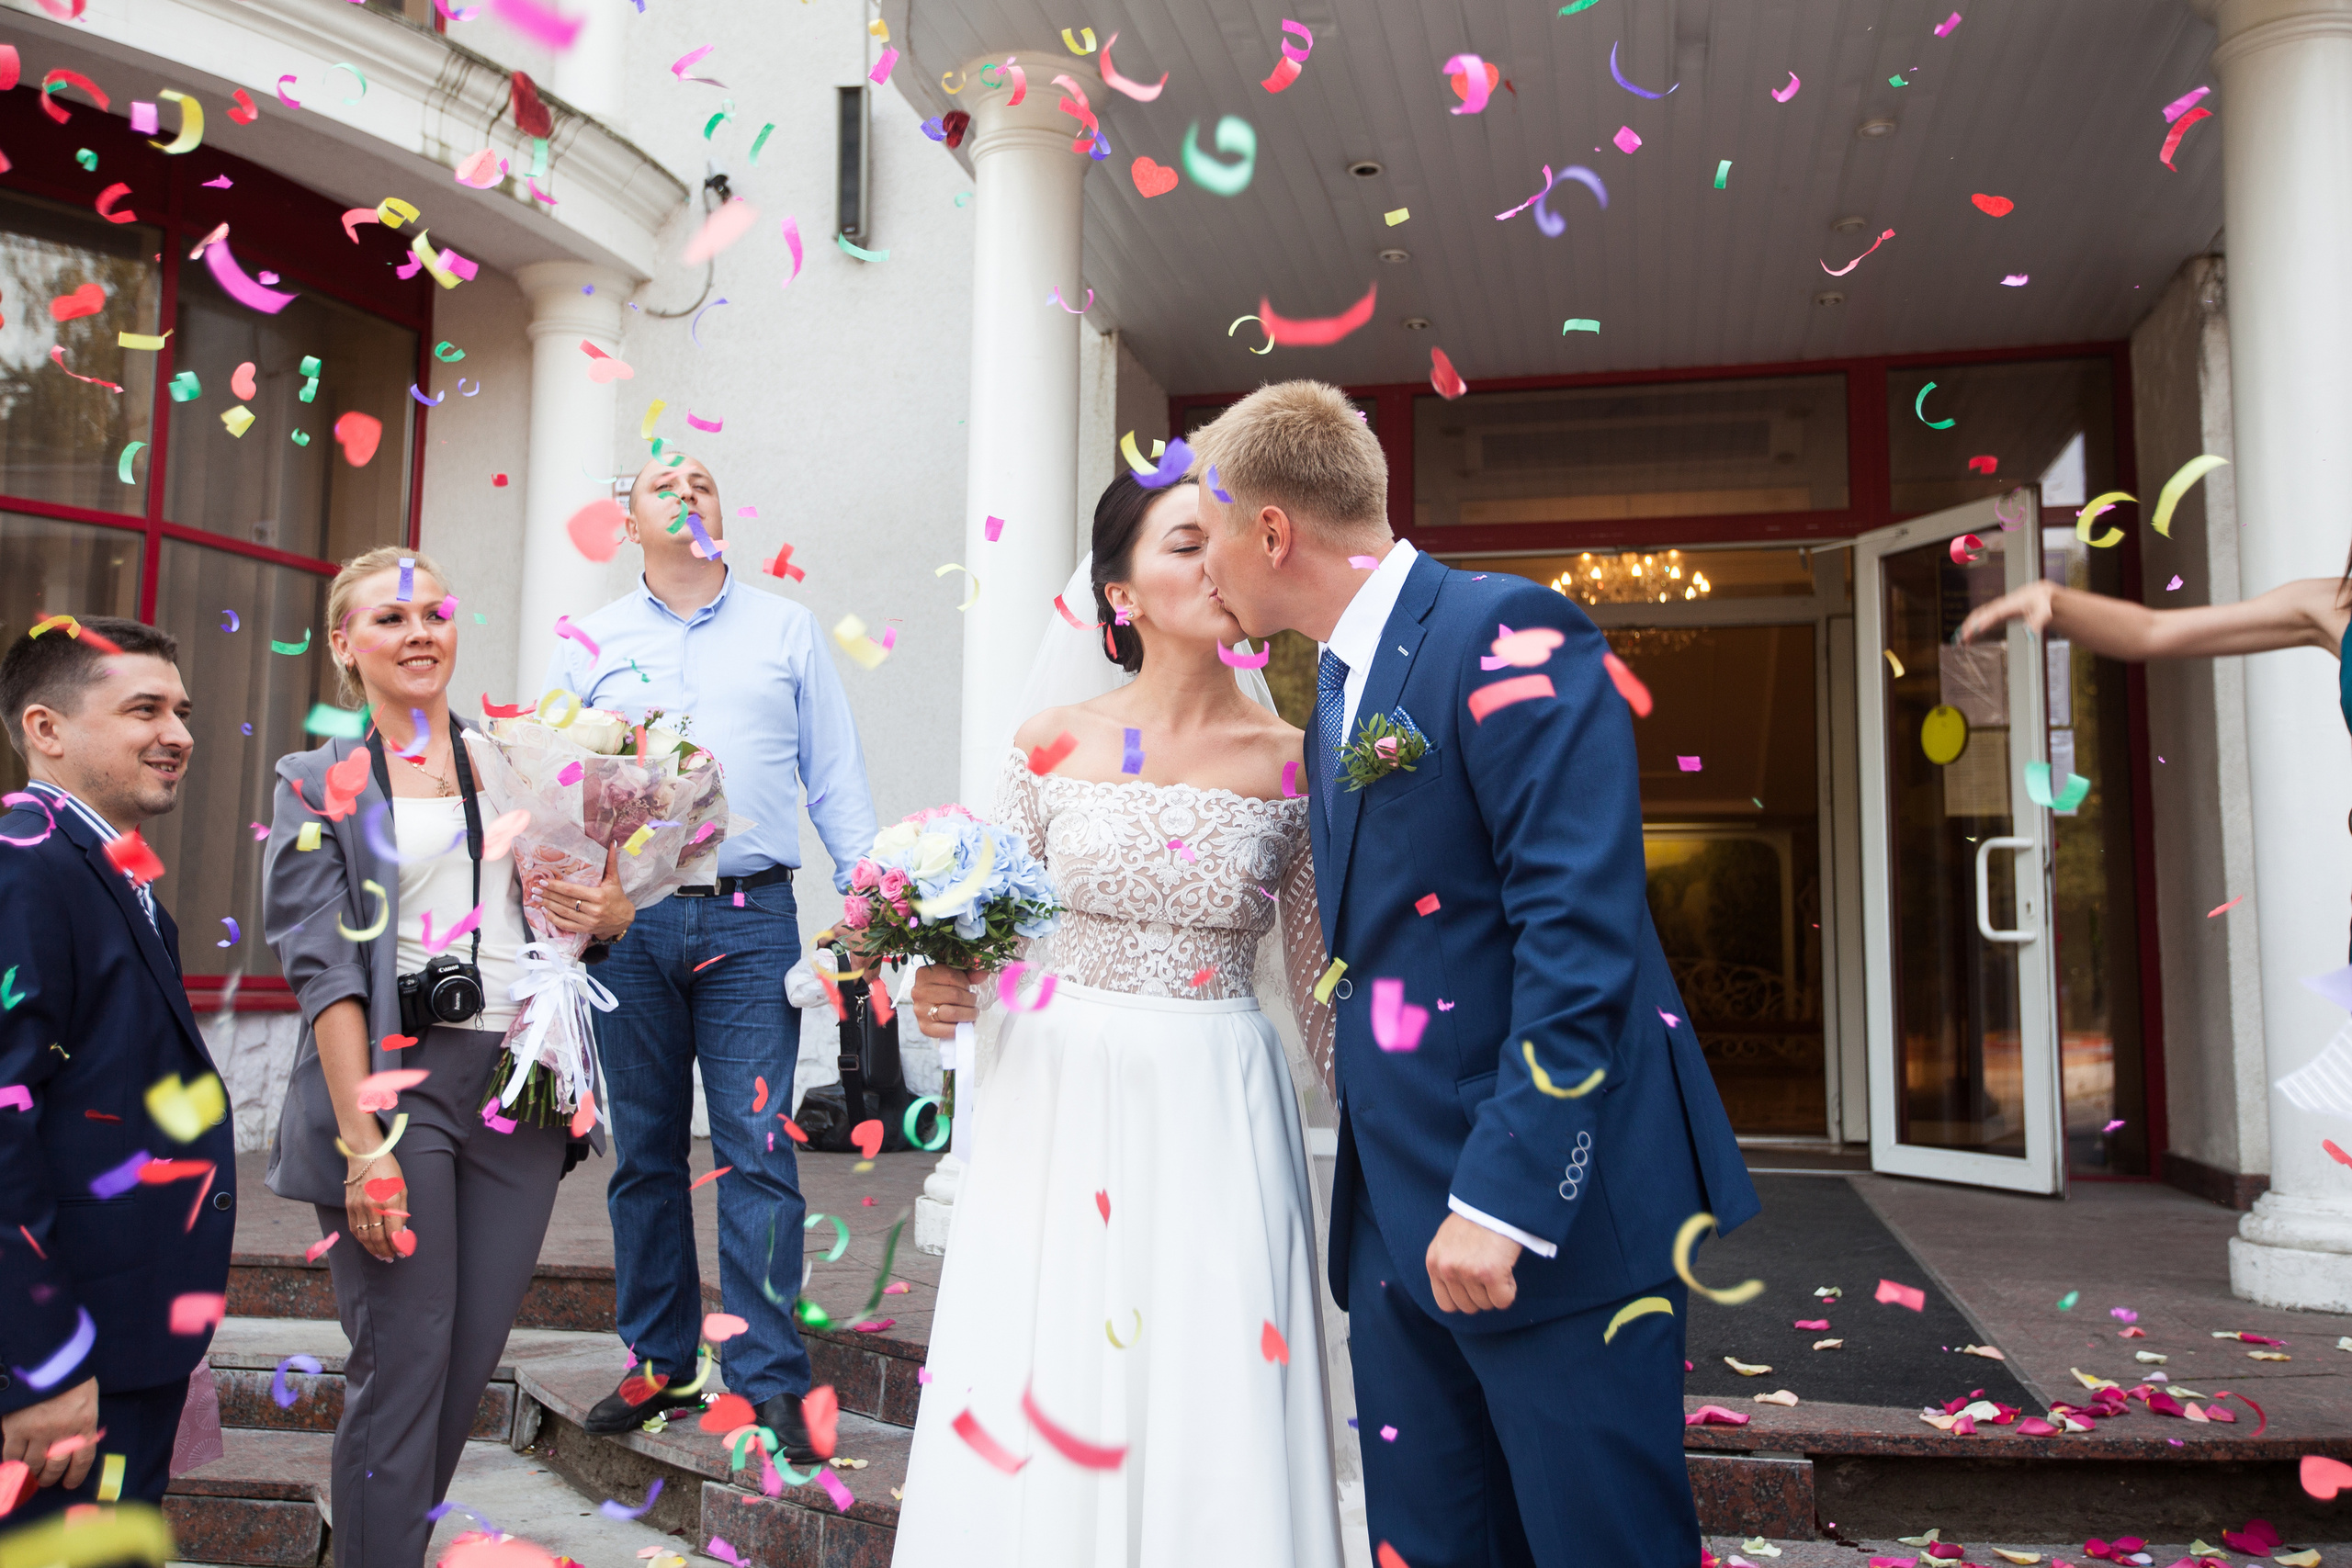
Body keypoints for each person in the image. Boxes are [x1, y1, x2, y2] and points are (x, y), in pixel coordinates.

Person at [1191, 381, 1759, 1568]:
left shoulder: (1508, 632)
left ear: (1273, 532)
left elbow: (1579, 933)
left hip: (1547, 1223)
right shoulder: (1332, 692)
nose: (1205, 571)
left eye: (1211, 533)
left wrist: (1504, 1199)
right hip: (1398, 1231)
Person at [896, 470, 1344, 1567]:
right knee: (1050, 1353)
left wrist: (1422, 1138)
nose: (1215, 561)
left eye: (1224, 539)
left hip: (1219, 1100)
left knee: (1211, 1359)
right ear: (1120, 594)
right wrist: (936, 988)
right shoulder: (1048, 741)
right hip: (1057, 1095)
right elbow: (978, 943)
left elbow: (1321, 985)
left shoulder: (1295, 762)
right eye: (1184, 543)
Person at [264, 547, 632, 1568]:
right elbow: (326, 974)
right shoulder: (313, 781)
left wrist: (610, 910)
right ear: (345, 644)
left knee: (464, 1367)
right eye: (390, 618)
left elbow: (572, 912)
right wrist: (365, 1141)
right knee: (404, 1357)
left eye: (434, 612)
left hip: (520, 1085)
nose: (419, 632)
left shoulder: (516, 759)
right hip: (395, 1086)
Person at [543, 456, 878, 1455]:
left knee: (756, 1148)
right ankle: (661, 1362)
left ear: (721, 511)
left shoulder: (787, 629)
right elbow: (556, 787)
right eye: (663, 484)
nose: (686, 492)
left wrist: (871, 902)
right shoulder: (589, 641)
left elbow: (834, 776)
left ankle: (769, 1378)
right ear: (628, 524)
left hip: (751, 917)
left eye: (701, 480)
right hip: (628, 922)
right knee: (644, 1152)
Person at [0, 617, 232, 1523]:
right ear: (46, 728)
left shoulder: (110, 872)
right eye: (145, 709)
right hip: (61, 1369)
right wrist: (42, 1366)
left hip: (122, 1342)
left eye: (182, 712)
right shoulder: (27, 870)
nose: (177, 734)